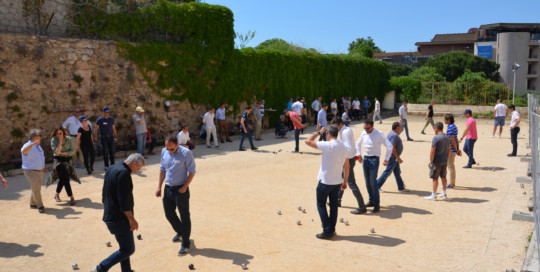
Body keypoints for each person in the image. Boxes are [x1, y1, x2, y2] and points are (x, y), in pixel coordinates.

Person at [91, 153, 145, 272]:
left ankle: (126, 270)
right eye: (137, 169)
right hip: (119, 219)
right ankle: (100, 268)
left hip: (110, 214)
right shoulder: (124, 174)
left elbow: (105, 192)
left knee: (124, 247)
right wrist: (132, 219)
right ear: (134, 163)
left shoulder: (112, 167)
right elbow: (124, 201)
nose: (136, 172)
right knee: (128, 250)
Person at [305, 126, 349, 239]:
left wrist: (319, 132)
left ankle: (327, 230)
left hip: (325, 181)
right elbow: (347, 166)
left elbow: (307, 141)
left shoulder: (327, 145)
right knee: (334, 206)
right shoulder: (343, 147)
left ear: (328, 133)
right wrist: (345, 181)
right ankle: (332, 229)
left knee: (321, 204)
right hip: (337, 182)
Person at [156, 137, 196, 255]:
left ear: (177, 144)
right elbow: (162, 170)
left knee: (184, 217)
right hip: (168, 188)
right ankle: (181, 232)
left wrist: (184, 187)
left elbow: (192, 171)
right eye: (167, 148)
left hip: (181, 190)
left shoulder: (186, 153)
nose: (169, 150)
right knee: (169, 214)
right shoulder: (164, 151)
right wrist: (159, 186)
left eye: (172, 148)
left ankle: (186, 243)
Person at [355, 120, 392, 213]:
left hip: (374, 160)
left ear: (372, 126)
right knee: (367, 182)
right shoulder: (364, 133)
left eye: (368, 128)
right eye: (365, 128)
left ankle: (377, 204)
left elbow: (389, 146)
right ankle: (371, 200)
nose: (366, 130)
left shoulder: (379, 134)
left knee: (373, 182)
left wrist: (386, 159)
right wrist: (359, 154)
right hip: (366, 160)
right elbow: (358, 143)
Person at [331, 117, 367, 214]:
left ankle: (362, 207)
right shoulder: (344, 130)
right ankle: (337, 201)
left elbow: (348, 148)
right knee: (341, 179)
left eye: (335, 126)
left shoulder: (345, 132)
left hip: (347, 160)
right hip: (348, 159)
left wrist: (340, 156)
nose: (334, 129)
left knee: (351, 183)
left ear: (340, 124)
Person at [376, 122, 409, 193]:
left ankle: (401, 187)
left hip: (393, 157)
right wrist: (398, 158)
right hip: (393, 157)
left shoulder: (391, 133)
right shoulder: (394, 135)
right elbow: (392, 148)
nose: (401, 129)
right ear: (397, 127)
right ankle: (377, 186)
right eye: (400, 127)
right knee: (387, 172)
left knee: (397, 172)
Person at [50, 126, 77, 206]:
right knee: (65, 178)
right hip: (58, 161)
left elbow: (73, 150)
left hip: (67, 160)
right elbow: (57, 153)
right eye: (57, 133)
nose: (59, 135)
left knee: (63, 178)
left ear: (63, 132)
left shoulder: (68, 139)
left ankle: (56, 194)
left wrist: (64, 153)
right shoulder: (54, 140)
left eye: (60, 133)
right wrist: (60, 142)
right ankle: (71, 197)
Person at [21, 129, 46, 213]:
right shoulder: (28, 145)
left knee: (35, 188)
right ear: (35, 137)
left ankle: (32, 203)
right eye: (40, 135)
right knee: (37, 188)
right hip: (30, 171)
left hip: (39, 171)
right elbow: (24, 151)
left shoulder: (38, 146)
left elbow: (41, 157)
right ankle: (40, 206)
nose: (41, 137)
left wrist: (43, 167)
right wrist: (32, 144)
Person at [425, 122, 451, 200]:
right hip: (444, 160)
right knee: (444, 177)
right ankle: (444, 192)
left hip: (437, 160)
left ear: (436, 128)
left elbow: (433, 151)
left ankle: (434, 195)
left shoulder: (436, 138)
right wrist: (447, 158)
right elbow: (449, 149)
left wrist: (431, 162)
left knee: (435, 178)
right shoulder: (447, 137)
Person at [95, 106, 118, 171]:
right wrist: (96, 137)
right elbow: (96, 129)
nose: (107, 114)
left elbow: (113, 128)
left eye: (108, 112)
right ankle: (106, 166)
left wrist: (116, 136)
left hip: (111, 137)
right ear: (103, 112)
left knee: (112, 151)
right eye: (106, 112)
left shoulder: (111, 119)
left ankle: (113, 165)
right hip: (104, 138)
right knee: (105, 152)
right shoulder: (100, 120)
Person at [445, 114, 462, 188]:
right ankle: (452, 182)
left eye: (445, 119)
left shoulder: (450, 127)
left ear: (448, 120)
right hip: (453, 149)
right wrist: (457, 149)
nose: (444, 121)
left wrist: (456, 149)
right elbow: (456, 139)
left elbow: (452, 140)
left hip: (451, 150)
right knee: (451, 166)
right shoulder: (454, 126)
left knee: (450, 166)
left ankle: (451, 183)